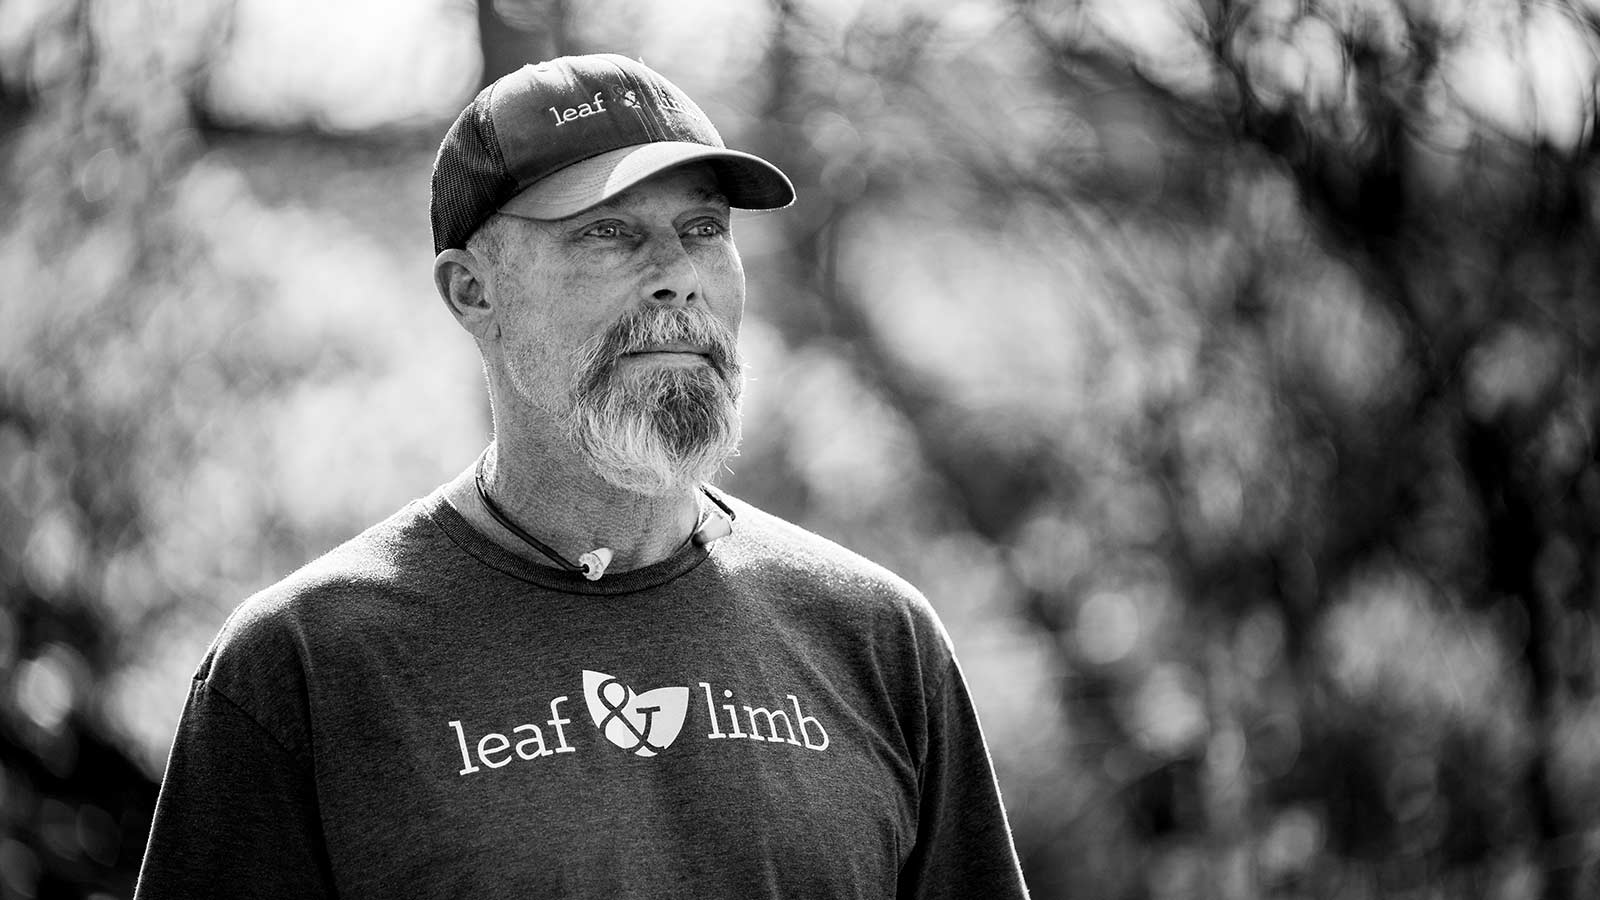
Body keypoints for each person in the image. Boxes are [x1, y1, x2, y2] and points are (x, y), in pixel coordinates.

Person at [134, 53, 1030, 899]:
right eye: (608, 234)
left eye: (703, 230)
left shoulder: (877, 638)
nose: (677, 277)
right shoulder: (307, 666)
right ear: (471, 293)